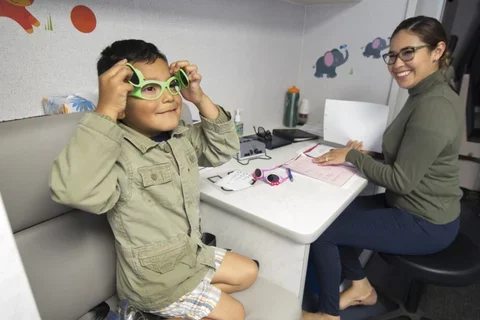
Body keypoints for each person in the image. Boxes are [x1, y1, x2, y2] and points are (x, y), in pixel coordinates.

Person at [50, 39, 258, 320]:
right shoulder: (117, 152)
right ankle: (148, 308)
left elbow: (223, 148)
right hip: (156, 281)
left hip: (191, 255)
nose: (170, 97)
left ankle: (171, 308)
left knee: (249, 272)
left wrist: (199, 98)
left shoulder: (180, 137)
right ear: (121, 104)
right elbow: (77, 192)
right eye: (150, 89)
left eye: (172, 85)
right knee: (235, 313)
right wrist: (106, 111)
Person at [302, 16, 463, 320]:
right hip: (410, 207)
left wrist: (352, 157)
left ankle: (327, 314)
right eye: (392, 55)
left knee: (323, 232)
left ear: (437, 51)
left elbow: (401, 181)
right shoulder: (424, 94)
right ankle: (361, 289)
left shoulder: (434, 106)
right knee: (330, 218)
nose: (396, 63)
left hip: (426, 222)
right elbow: (413, 157)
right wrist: (368, 156)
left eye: (407, 53)